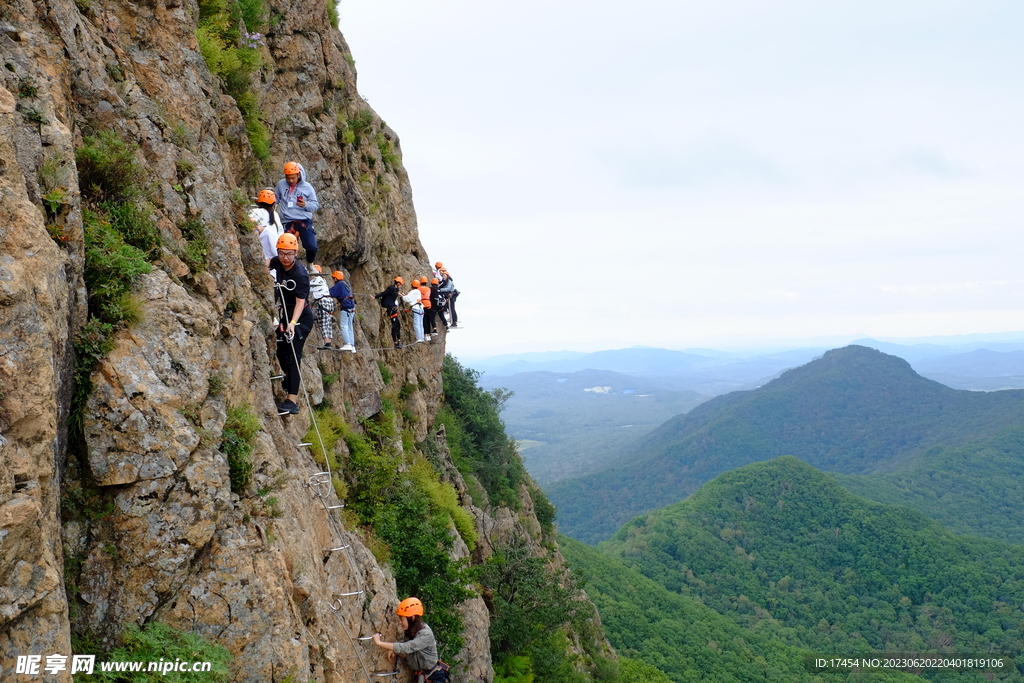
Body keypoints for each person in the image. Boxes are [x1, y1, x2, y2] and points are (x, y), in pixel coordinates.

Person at [269, 233, 313, 415]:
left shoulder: (300, 275)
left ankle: (292, 401)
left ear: (295, 253)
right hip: (285, 316)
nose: (285, 258)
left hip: (300, 318)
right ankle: (287, 379)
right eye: (282, 253)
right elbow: (266, 263)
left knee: (294, 356)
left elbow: (301, 302)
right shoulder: (277, 262)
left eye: (289, 254)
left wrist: (293, 323)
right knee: (281, 351)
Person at [372, 598, 450, 683]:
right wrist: (396, 651)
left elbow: (407, 647)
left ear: (412, 618)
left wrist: (379, 643)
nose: (400, 623)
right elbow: (411, 653)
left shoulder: (425, 634)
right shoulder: (412, 631)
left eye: (402, 619)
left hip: (434, 677)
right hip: (423, 676)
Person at [274, 161, 320, 266]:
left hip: (304, 220)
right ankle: (286, 267)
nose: (290, 180)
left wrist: (305, 204)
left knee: (311, 246)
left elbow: (315, 205)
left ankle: (310, 264)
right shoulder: (281, 184)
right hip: (287, 220)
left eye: (293, 178)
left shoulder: (307, 187)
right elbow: (277, 198)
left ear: (298, 175)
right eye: (288, 178)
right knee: (284, 247)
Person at [250, 189, 282, 266]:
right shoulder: (275, 215)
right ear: (273, 203)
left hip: (264, 249)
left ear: (258, 201)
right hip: (277, 248)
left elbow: (249, 224)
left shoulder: (255, 212)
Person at [308, 265, 336, 350]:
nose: (310, 276)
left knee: (323, 322)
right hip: (328, 301)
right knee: (327, 322)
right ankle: (328, 342)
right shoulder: (323, 280)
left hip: (323, 302)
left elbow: (307, 287)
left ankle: (327, 342)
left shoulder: (317, 280)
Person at [329, 270, 356, 352]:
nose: (333, 280)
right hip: (351, 306)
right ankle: (352, 345)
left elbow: (330, 293)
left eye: (333, 278)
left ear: (336, 279)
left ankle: (347, 344)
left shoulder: (339, 284)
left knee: (344, 326)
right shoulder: (345, 284)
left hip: (346, 307)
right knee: (350, 326)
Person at [375, 276, 404, 349]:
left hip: (393, 308)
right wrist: (376, 297)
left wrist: (399, 294)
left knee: (398, 325)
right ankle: (396, 343)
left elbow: (392, 294)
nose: (400, 285)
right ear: (397, 283)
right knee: (395, 326)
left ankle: (398, 341)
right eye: (400, 283)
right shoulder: (391, 288)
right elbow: (384, 293)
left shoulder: (395, 289)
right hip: (391, 309)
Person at [403, 279, 425, 343]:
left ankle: (419, 338)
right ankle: (422, 338)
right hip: (421, 308)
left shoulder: (412, 292)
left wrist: (403, 296)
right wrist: (405, 296)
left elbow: (407, 299)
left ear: (412, 285)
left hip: (416, 308)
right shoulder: (419, 291)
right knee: (421, 324)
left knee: (416, 324)